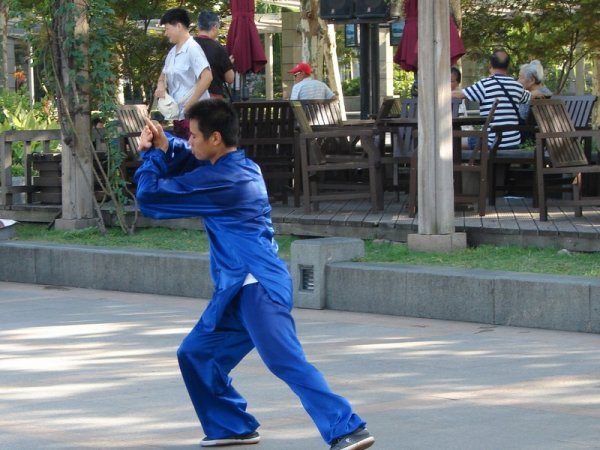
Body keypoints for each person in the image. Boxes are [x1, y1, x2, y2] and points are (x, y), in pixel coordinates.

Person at [134, 99, 375, 450]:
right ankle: (231, 426)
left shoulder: (225, 180)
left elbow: (151, 198)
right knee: (196, 354)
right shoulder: (235, 166)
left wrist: (150, 155)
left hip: (257, 285)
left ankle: (347, 428)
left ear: (215, 138)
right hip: (236, 288)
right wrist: (167, 144)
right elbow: (191, 161)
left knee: (285, 360)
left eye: (195, 135)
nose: (192, 141)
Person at [452, 49, 531, 150]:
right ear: (508, 66)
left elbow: (458, 95)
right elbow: (528, 97)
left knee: (454, 142)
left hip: (490, 141)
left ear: (490, 65)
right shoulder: (517, 86)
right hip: (513, 141)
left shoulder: (484, 85)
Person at [154, 8, 212, 140]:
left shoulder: (192, 48)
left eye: (167, 28)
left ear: (178, 26)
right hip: (179, 115)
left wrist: (191, 103)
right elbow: (163, 75)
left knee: (195, 155)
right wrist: (160, 85)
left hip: (196, 116)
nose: (165, 33)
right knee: (185, 154)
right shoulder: (172, 52)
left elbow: (207, 77)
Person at [194, 11, 235, 99]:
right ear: (214, 27)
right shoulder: (219, 49)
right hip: (213, 100)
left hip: (189, 99)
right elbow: (230, 79)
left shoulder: (187, 46)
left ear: (198, 27)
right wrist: (229, 63)